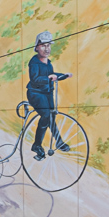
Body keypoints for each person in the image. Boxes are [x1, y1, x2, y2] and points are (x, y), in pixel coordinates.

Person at [27, 30, 73, 160]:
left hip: (47, 93)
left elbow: (52, 75)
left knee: (52, 115)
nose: (47, 49)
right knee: (46, 115)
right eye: (43, 46)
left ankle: (59, 141)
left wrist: (63, 75)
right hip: (35, 94)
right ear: (37, 47)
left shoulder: (49, 63)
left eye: (48, 46)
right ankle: (37, 145)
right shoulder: (34, 62)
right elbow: (35, 79)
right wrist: (48, 78)